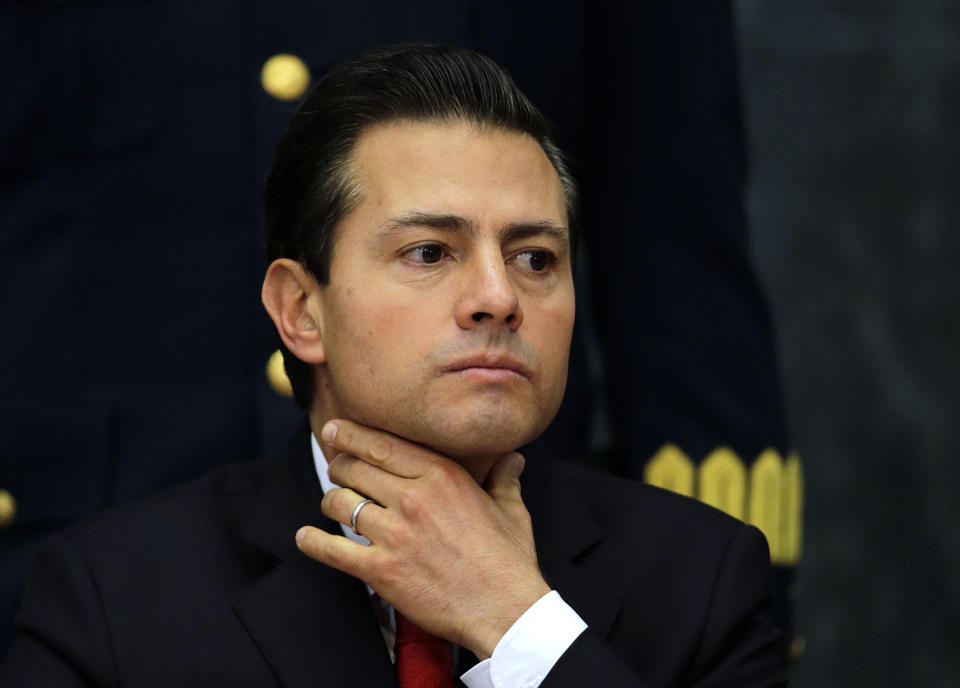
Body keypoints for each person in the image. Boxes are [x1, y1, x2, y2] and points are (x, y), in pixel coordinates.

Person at [1, 44, 787, 687]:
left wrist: (518, 625)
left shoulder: (705, 580)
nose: (498, 296)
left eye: (536, 257)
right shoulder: (114, 598)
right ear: (301, 312)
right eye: (428, 252)